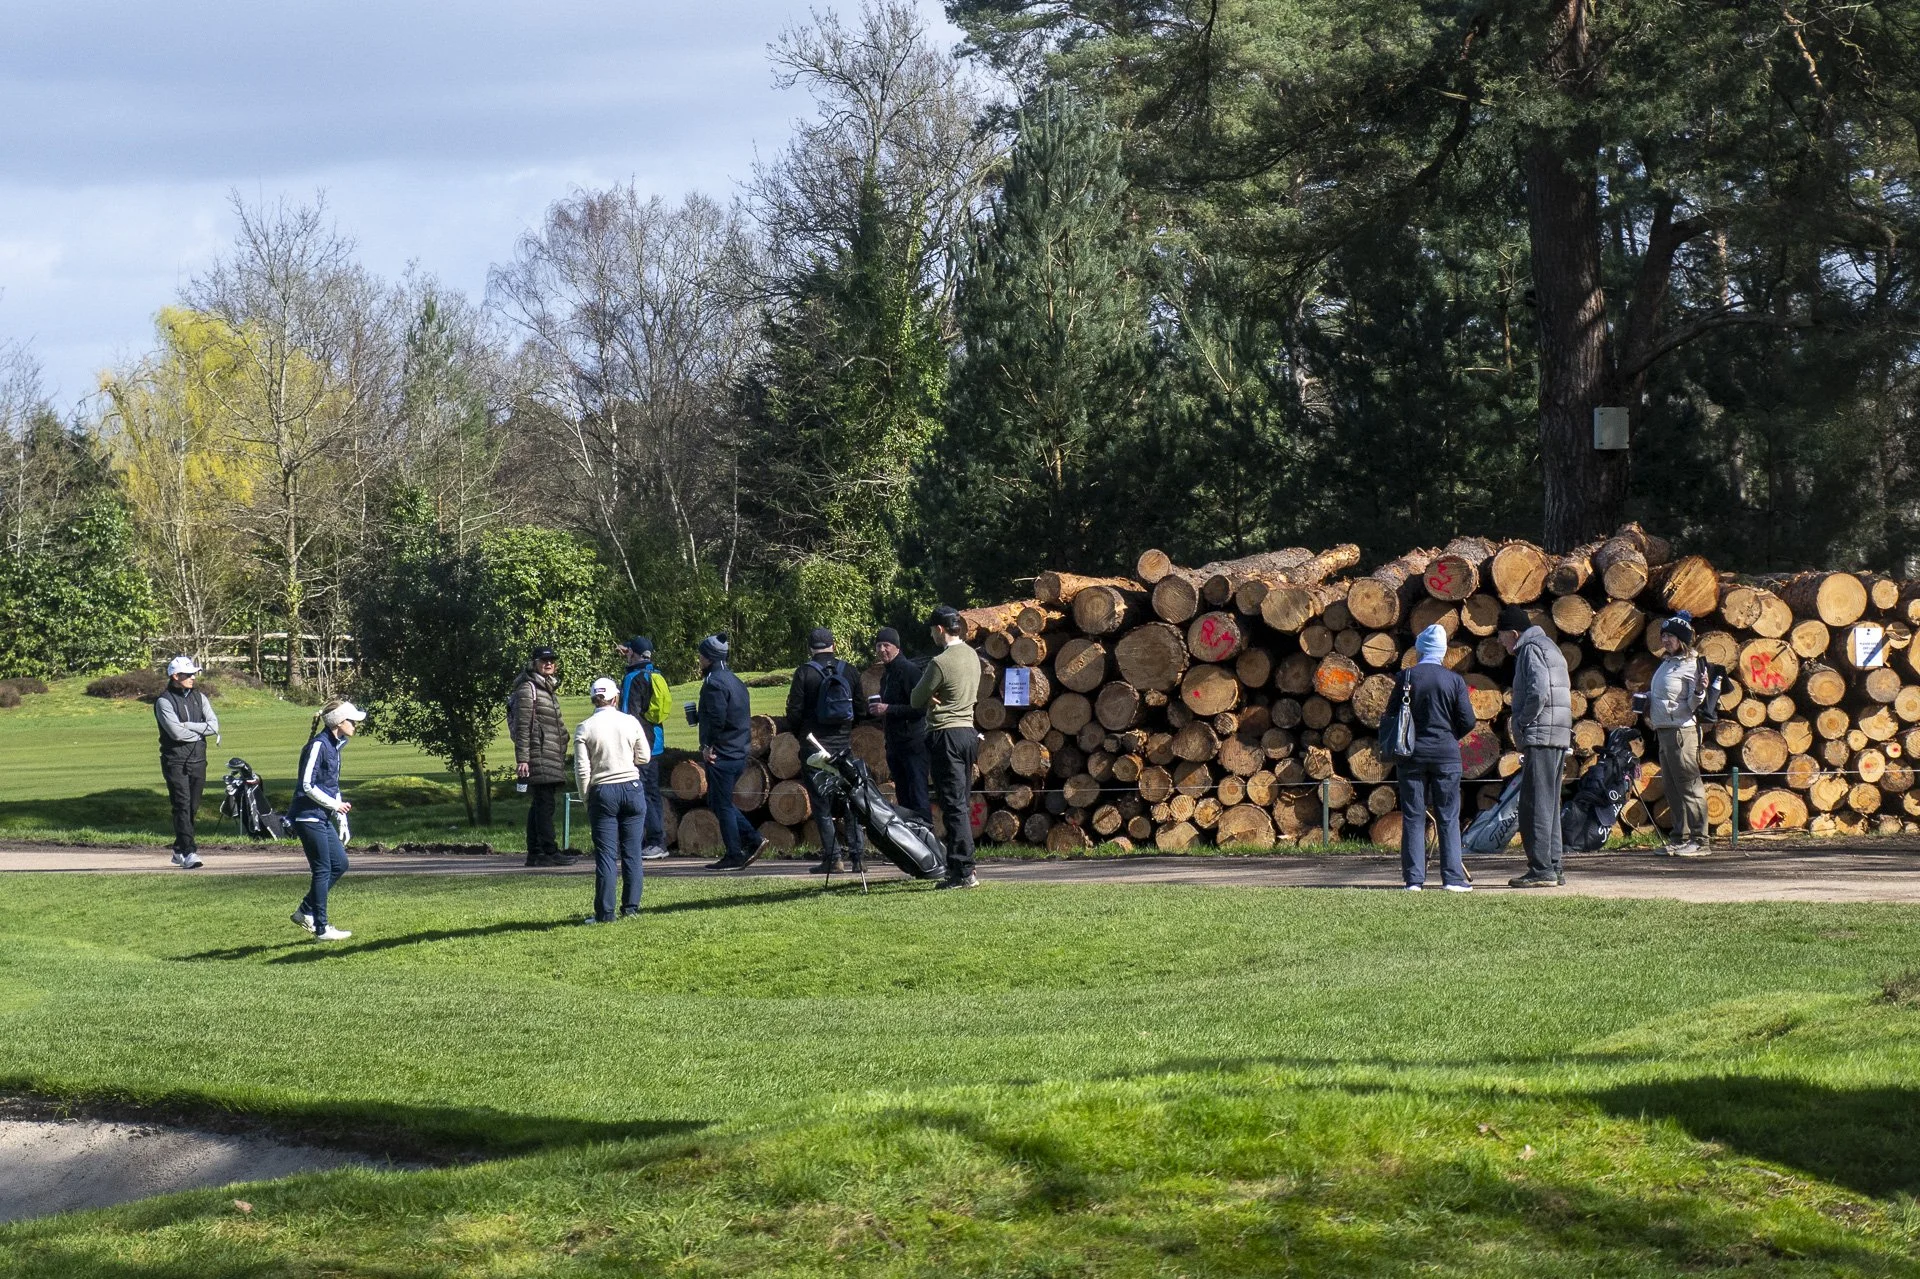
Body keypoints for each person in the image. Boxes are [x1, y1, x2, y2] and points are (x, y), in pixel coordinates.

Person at [1393, 624, 1478, 892]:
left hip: (1411, 755)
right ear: (1442, 652)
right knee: (1448, 816)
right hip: (1446, 755)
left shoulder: (1406, 677)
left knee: (1413, 816)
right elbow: (1469, 720)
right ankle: (1452, 878)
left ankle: (1413, 880)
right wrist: (1449, 735)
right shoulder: (1453, 680)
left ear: (1419, 650)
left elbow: (1391, 716)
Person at [1499, 604, 1572, 888]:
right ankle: (1554, 866)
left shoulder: (1529, 650)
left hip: (1540, 734)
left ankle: (1541, 869)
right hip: (1557, 733)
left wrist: (1522, 721)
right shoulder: (1549, 646)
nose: (1500, 641)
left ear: (1514, 633)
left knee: (1534, 804)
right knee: (1550, 802)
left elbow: (1539, 691)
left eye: (1502, 636)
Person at [911, 605, 982, 889]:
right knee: (961, 802)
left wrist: (931, 697)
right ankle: (959, 866)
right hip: (968, 732)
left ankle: (964, 871)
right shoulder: (973, 656)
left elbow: (917, 698)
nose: (932, 636)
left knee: (953, 806)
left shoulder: (940, 662)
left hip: (946, 735)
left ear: (940, 630)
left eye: (932, 631)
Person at [788, 626, 866, 875]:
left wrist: (800, 733)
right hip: (843, 746)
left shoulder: (804, 673)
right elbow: (862, 710)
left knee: (821, 805)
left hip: (814, 746)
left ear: (810, 648)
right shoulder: (850, 671)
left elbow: (795, 713)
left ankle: (834, 859)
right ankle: (858, 858)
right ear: (833, 645)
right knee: (851, 802)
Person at [287, 700, 367, 941]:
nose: (354, 725)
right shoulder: (318, 746)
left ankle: (304, 911)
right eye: (351, 721)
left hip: (321, 817)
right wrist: (335, 806)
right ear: (338, 723)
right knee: (322, 870)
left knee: (340, 864)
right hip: (306, 816)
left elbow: (332, 785)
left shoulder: (336, 746)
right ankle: (321, 928)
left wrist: (341, 818)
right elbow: (306, 785)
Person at [574, 676, 652, 923]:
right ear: (615, 697)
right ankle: (631, 908)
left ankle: (605, 913)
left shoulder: (585, 728)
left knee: (606, 855)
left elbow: (582, 769)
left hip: (603, 791)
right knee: (632, 852)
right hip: (631, 787)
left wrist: (586, 797)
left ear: (593, 699)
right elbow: (645, 757)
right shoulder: (630, 722)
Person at [696, 632, 765, 870]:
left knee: (722, 804)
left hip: (722, 753)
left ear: (709, 658)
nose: (699, 660)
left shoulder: (713, 683)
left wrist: (707, 746)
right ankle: (751, 841)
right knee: (718, 802)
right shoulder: (735, 680)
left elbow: (717, 719)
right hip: (739, 750)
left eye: (701, 656)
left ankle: (737, 851)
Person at [1647, 611, 1710, 856]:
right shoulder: (1667, 663)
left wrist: (1700, 691)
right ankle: (1679, 837)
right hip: (1664, 731)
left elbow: (1694, 702)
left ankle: (1700, 840)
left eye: (1670, 636)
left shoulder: (1691, 665)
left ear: (1682, 639)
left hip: (1681, 732)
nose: (1665, 640)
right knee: (1673, 787)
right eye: (1663, 635)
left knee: (1689, 786)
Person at [509, 645, 577, 867]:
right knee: (545, 805)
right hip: (539, 755)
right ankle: (549, 851)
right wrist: (523, 759)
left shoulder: (545, 688)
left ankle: (536, 853)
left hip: (549, 753)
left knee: (540, 804)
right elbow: (523, 727)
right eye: (543, 660)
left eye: (552, 660)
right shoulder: (529, 689)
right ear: (534, 663)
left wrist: (563, 740)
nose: (549, 663)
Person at [154, 655, 220, 870]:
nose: (193, 677)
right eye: (188, 674)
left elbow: (213, 726)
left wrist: (189, 726)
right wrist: (199, 730)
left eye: (193, 674)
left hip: (199, 759)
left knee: (192, 806)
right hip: (175, 761)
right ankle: (190, 851)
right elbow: (175, 733)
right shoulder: (164, 701)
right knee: (182, 805)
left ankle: (178, 848)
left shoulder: (200, 697)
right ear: (175, 676)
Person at [617, 635, 672, 859]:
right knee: (652, 793)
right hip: (656, 742)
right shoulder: (655, 675)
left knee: (639, 794)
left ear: (634, 653)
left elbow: (628, 714)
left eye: (628, 651)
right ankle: (657, 841)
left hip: (639, 745)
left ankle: (649, 842)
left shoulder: (633, 678)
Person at [867, 626, 930, 819]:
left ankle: (927, 840)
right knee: (903, 799)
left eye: (886, 645)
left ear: (896, 647)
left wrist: (889, 709)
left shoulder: (909, 671)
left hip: (913, 744)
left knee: (918, 797)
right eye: (878, 646)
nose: (882, 650)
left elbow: (920, 709)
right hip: (894, 746)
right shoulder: (886, 674)